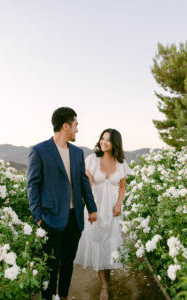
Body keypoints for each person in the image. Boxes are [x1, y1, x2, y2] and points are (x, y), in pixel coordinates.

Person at [27, 107, 97, 300]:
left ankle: (63, 296)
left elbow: (83, 183)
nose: (77, 130)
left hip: (74, 219)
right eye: (76, 125)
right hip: (50, 218)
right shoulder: (39, 151)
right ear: (65, 126)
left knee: (68, 262)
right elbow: (32, 185)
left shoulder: (77, 152)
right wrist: (38, 218)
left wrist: (92, 208)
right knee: (50, 265)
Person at [74, 128, 131, 300]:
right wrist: (91, 209)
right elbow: (87, 186)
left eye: (108, 139)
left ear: (115, 143)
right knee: (98, 242)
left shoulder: (121, 164)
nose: (103, 142)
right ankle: (104, 286)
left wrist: (119, 204)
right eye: (102, 138)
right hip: (96, 207)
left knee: (110, 244)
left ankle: (108, 274)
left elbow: (122, 187)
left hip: (113, 209)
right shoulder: (91, 160)